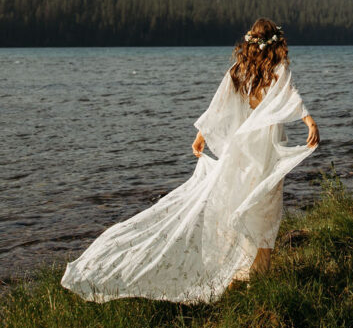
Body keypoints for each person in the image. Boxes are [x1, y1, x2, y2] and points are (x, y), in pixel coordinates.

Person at [61, 18, 319, 303]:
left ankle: (242, 274)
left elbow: (218, 106)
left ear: (250, 42)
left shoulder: (239, 70)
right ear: (276, 42)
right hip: (263, 153)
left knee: (244, 208)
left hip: (242, 154)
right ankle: (255, 280)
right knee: (265, 213)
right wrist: (309, 122)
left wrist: (201, 135)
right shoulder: (275, 70)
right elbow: (290, 96)